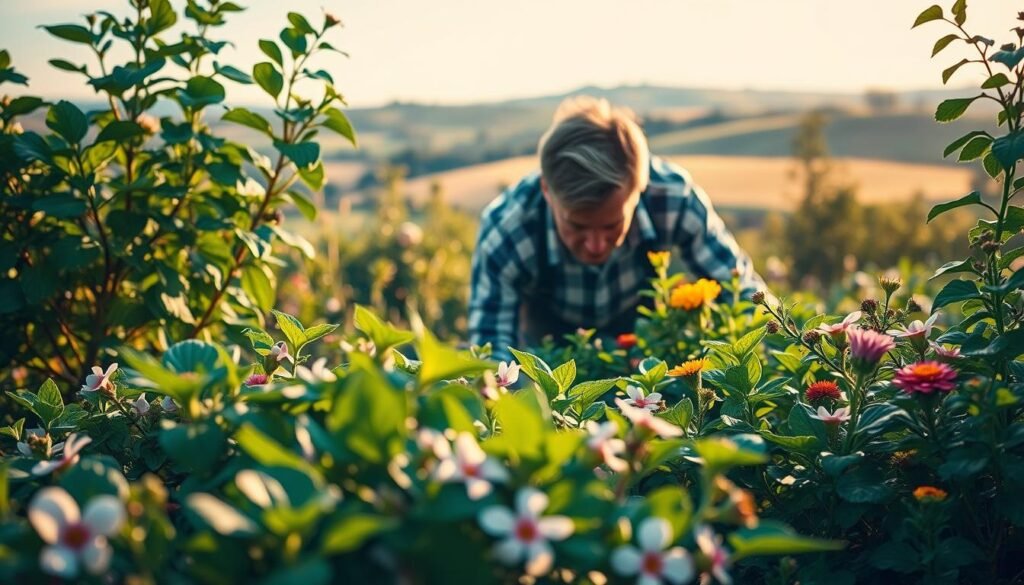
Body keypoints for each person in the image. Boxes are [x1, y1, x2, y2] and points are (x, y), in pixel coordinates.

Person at [468, 96, 764, 359]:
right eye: (577, 226)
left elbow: (741, 290)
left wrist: (789, 354)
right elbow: (491, 350)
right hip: (549, 359)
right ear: (547, 190)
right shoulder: (507, 229)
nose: (596, 245)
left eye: (612, 225)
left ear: (640, 188)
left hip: (645, 351)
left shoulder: (674, 198)